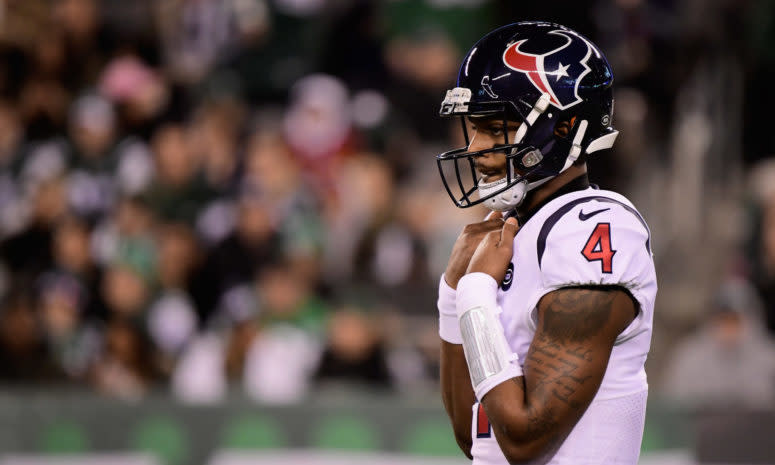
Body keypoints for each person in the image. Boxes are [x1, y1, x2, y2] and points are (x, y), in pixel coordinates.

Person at [435, 22, 657, 464]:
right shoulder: (508, 230)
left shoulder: (594, 227)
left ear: (560, 127)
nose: (477, 149)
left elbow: (523, 439)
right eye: (473, 129)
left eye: (495, 130)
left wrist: (475, 293)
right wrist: (451, 294)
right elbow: (473, 434)